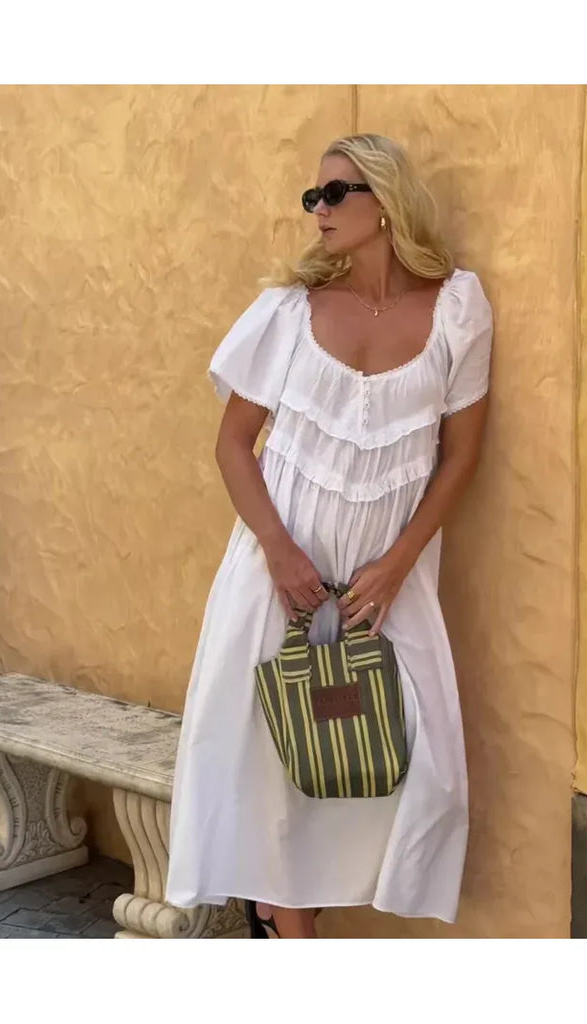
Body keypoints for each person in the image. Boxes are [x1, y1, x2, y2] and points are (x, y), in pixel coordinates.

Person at [164, 133, 493, 939]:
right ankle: (288, 924)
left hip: (386, 581)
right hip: (280, 568)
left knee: (407, 760)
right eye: (312, 196)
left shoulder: (456, 308)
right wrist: (279, 556)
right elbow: (232, 445)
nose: (317, 209)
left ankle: (281, 913)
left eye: (335, 193)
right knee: (269, 753)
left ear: (385, 201)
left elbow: (461, 455)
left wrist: (398, 565)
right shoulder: (287, 312)